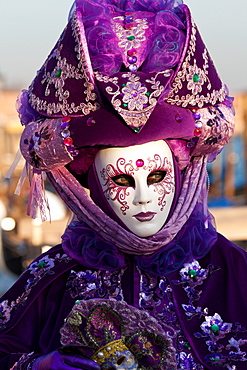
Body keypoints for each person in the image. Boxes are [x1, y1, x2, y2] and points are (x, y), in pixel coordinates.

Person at [1, 0, 246, 369]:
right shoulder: (52, 280)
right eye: (120, 179)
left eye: (158, 175)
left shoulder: (232, 273)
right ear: (91, 185)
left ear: (180, 173)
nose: (144, 196)